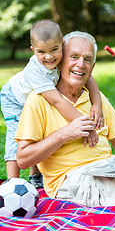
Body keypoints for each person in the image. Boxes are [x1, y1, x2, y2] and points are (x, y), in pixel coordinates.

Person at [15, 31, 115, 207]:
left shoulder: (95, 98)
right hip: (71, 179)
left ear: (93, 66)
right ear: (60, 62)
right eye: (74, 57)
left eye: (88, 59)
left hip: (108, 167)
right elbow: (23, 159)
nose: (81, 64)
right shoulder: (38, 100)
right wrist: (64, 135)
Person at [0, 20, 104, 188]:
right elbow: (57, 100)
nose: (49, 57)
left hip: (34, 97)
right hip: (14, 99)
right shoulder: (36, 71)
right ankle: (12, 184)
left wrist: (97, 105)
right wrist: (86, 125)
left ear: (61, 43)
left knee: (39, 130)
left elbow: (89, 78)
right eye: (41, 52)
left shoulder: (61, 58)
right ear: (33, 51)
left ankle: (35, 177)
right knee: (19, 137)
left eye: (54, 50)